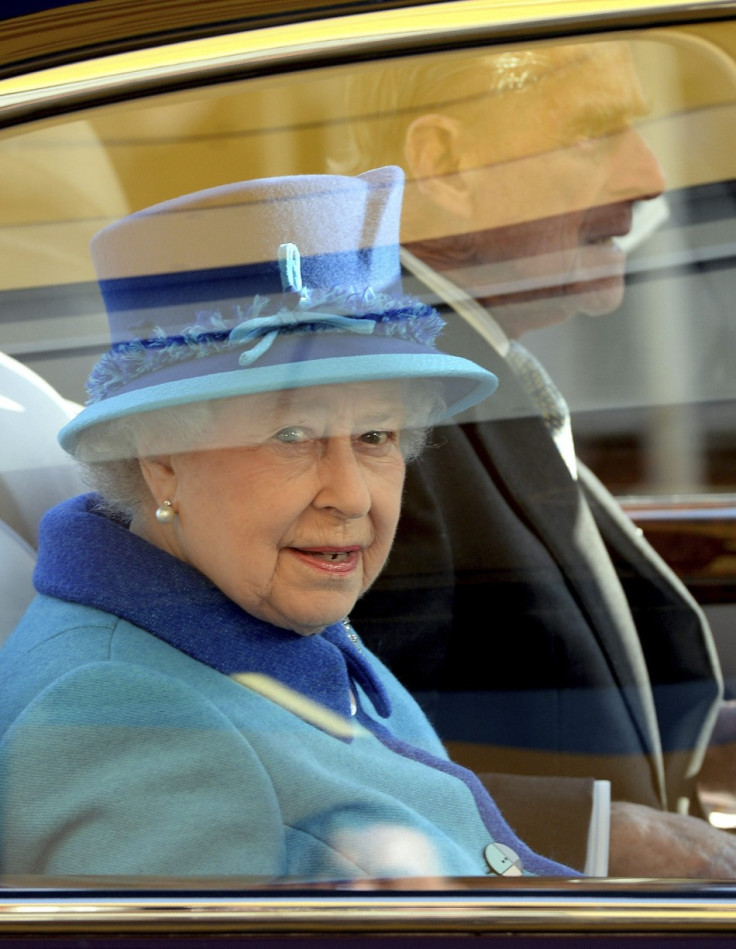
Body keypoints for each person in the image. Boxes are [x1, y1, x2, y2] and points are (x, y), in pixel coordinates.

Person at [0, 166, 575, 880]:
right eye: (294, 436)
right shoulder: (129, 714)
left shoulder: (265, 613)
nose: (352, 497)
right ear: (163, 458)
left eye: (376, 437)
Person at [337, 42, 736, 875]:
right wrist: (605, 836)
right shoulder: (380, 409)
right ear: (443, 165)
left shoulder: (468, 366)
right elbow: (334, 761)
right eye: (597, 130)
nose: (649, 174)